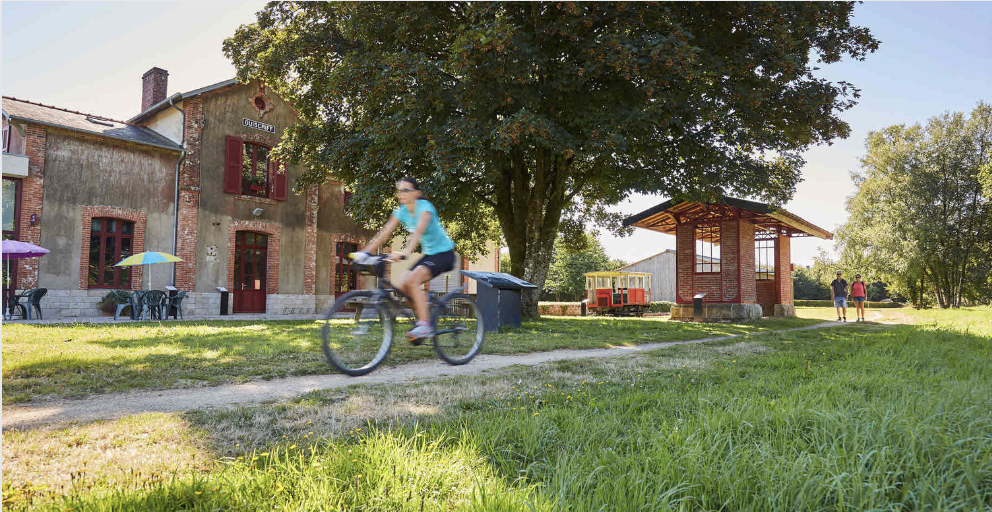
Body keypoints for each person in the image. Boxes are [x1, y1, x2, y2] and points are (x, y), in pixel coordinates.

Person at [355, 177, 456, 340]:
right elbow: (385, 232)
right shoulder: (401, 211)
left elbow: (417, 232)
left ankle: (424, 325)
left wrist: (405, 252)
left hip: (444, 254)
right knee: (402, 286)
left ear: (417, 193)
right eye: (399, 190)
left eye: (406, 190)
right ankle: (424, 316)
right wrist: (365, 252)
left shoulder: (425, 208)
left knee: (412, 280)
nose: (401, 193)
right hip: (430, 254)